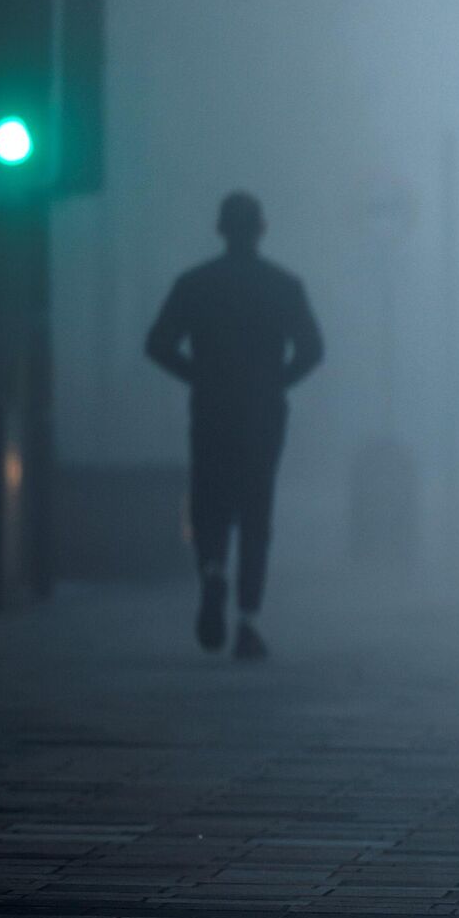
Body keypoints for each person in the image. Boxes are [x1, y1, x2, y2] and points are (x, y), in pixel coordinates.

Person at [146, 191, 323, 659]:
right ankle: (247, 621)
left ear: (221, 230)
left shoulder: (195, 284)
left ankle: (212, 572)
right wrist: (278, 382)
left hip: (211, 409)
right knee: (256, 512)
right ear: (261, 230)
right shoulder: (284, 286)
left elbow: (158, 343)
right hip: (263, 412)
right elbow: (312, 350)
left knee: (210, 502)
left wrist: (197, 376)